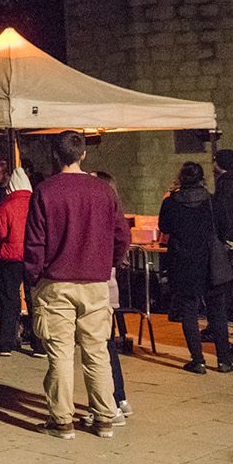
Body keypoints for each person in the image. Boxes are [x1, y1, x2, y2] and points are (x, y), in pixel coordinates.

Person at [23, 131, 129, 439]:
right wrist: (109, 262)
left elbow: (35, 243)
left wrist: (33, 276)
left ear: (55, 155)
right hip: (95, 282)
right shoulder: (103, 191)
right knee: (97, 352)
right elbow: (122, 236)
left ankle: (62, 420)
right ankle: (104, 416)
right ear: (82, 154)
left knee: (61, 353)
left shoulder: (45, 191)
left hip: (56, 282)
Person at [159, 162, 233, 375]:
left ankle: (198, 360)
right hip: (211, 263)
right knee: (217, 312)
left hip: (184, 263)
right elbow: (225, 230)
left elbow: (164, 227)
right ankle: (224, 360)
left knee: (189, 314)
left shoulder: (171, 202)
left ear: (181, 178)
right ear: (202, 178)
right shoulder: (213, 201)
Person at [94, 171, 134, 419]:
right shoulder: (113, 213)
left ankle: (110, 403)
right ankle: (120, 398)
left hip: (100, 287)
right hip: (108, 284)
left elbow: (121, 240)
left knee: (99, 348)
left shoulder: (101, 215)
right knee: (105, 345)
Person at [0, 166, 38, 356]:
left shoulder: (6, 206)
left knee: (10, 299)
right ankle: (39, 344)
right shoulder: (36, 203)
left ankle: (6, 343)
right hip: (33, 256)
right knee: (34, 299)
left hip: (11, 257)